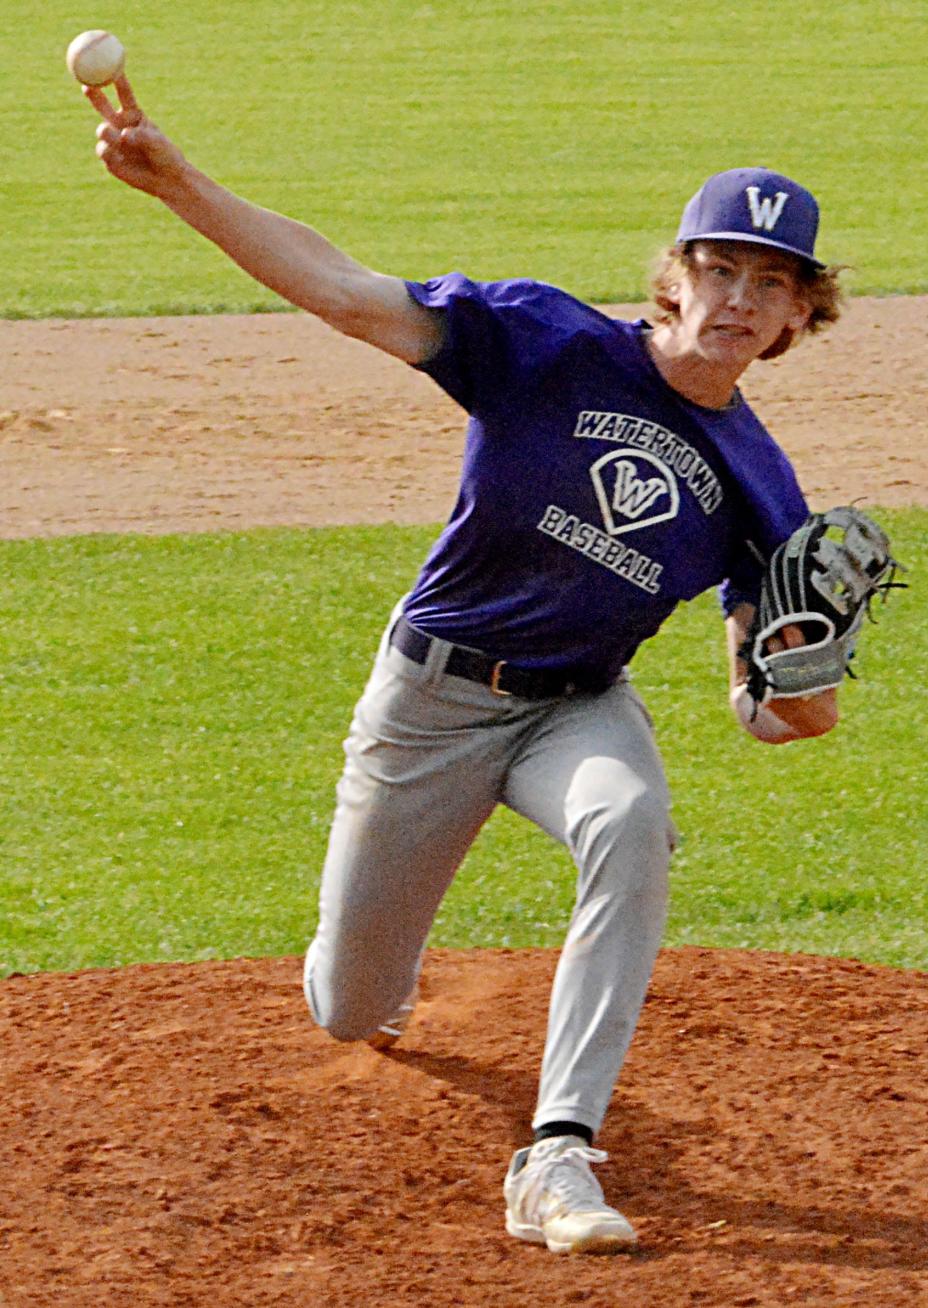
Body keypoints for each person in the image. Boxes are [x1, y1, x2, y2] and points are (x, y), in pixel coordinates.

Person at [84, 75, 845, 1254]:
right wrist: (177, 181)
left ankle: (556, 1155)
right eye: (722, 269)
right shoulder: (540, 342)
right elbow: (343, 294)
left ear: (800, 319)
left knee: (633, 823)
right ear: (674, 277)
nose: (740, 300)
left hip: (576, 712)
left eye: (772, 284)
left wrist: (794, 682)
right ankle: (381, 972)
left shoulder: (764, 487)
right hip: (430, 701)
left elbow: (774, 712)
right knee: (349, 1008)